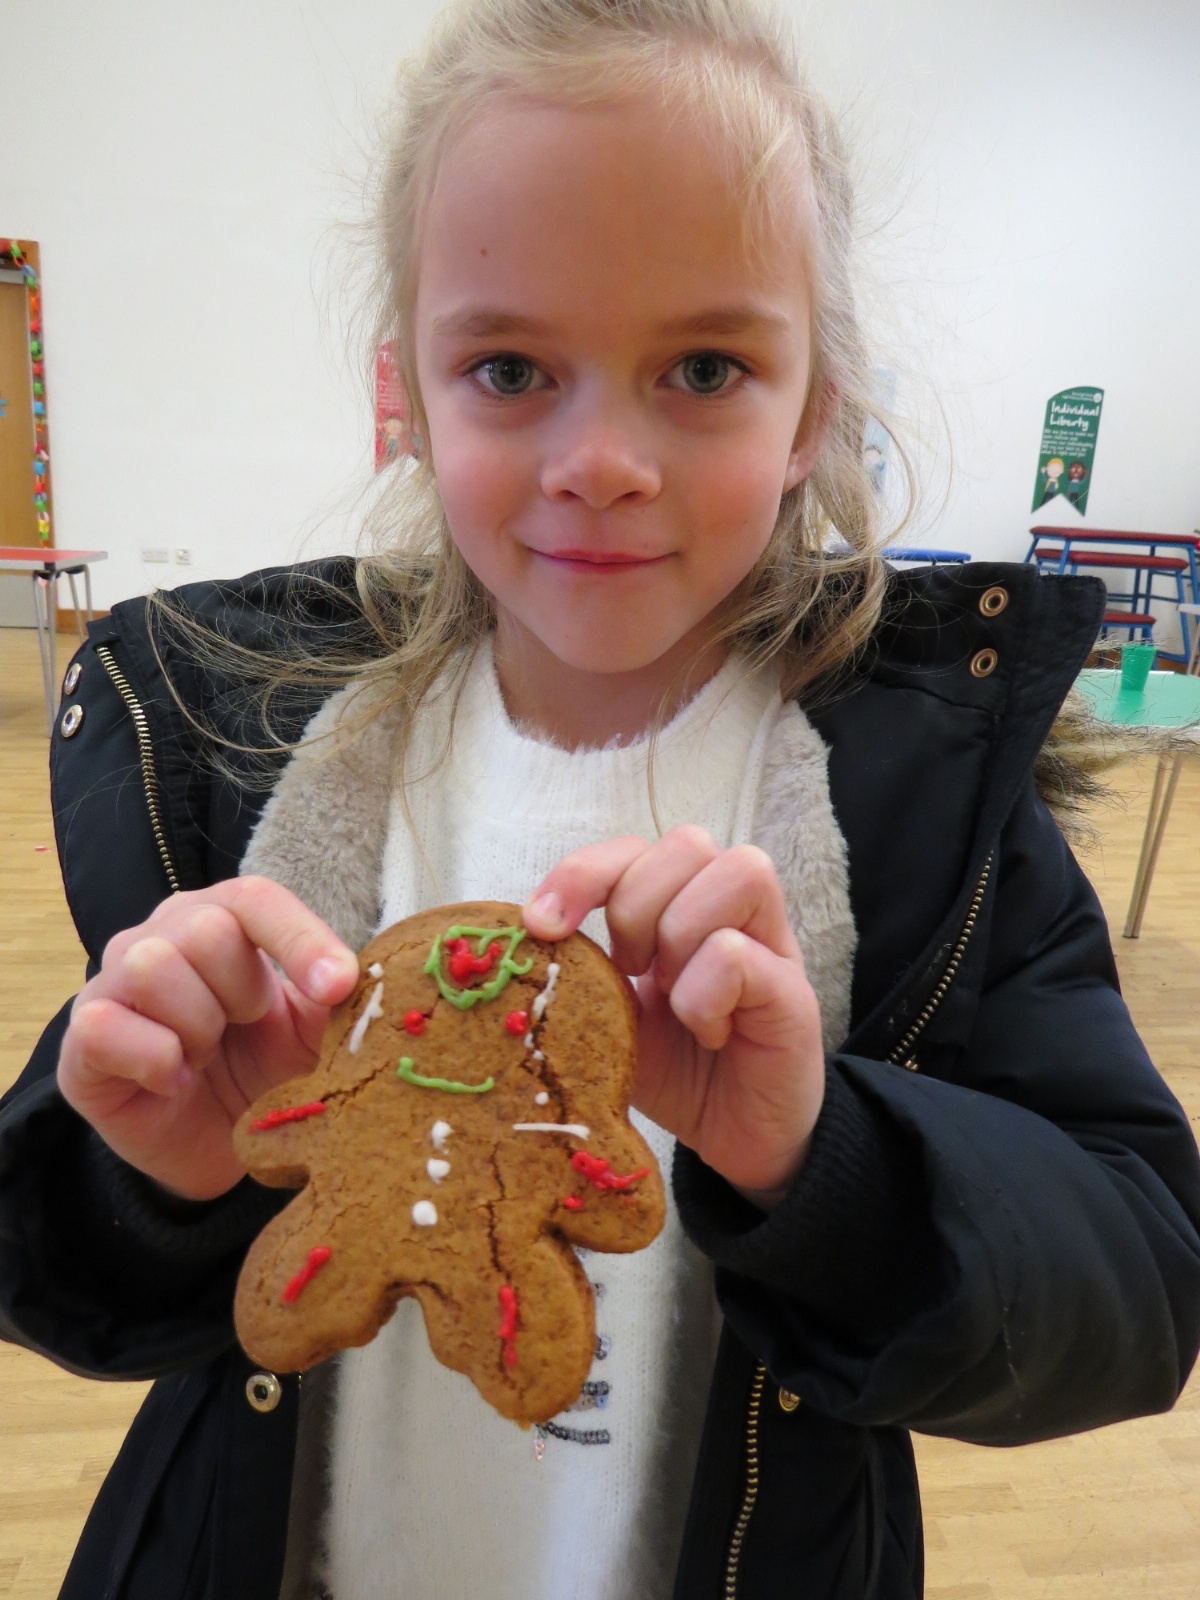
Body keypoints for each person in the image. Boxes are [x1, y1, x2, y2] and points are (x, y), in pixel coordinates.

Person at [3, 1, 1199, 1597]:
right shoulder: (248, 764)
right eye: (510, 369)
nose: (602, 459)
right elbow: (54, 1268)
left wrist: (823, 1158)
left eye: (704, 368)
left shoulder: (928, 812)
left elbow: (1141, 1287)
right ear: (412, 399)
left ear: (813, 410)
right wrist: (148, 1176)